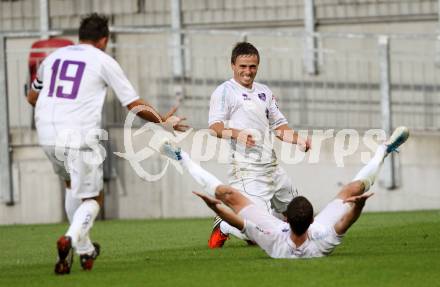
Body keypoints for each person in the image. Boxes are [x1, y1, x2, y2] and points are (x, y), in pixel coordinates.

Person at [26, 13, 186, 274]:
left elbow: (32, 96)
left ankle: (85, 250)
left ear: (80, 36)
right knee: (94, 196)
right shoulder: (103, 60)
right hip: (78, 135)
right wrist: (161, 120)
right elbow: (133, 104)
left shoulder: (52, 58)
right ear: (104, 39)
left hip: (46, 134)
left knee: (71, 186)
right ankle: (70, 237)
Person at [160, 126, 409, 258]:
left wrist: (215, 207)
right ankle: (383, 150)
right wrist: (358, 205)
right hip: (300, 223)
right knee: (354, 189)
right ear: (311, 221)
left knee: (227, 194)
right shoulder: (320, 237)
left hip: (273, 226)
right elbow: (345, 222)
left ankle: (182, 158)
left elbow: (238, 218)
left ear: (287, 221)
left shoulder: (274, 237)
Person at [207, 42, 311, 248]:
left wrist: (298, 139)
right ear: (233, 65)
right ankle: (225, 225)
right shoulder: (225, 91)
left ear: (258, 66)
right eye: (243, 66)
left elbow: (280, 126)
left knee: (299, 215)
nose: (248, 71)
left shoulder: (264, 91)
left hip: (271, 167)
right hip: (247, 169)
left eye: (252, 66)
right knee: (255, 235)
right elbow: (215, 127)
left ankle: (271, 221)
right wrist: (237, 134)